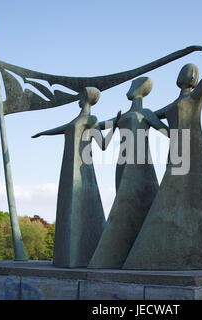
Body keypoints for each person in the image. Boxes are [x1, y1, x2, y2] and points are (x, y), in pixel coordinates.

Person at [123, 46, 202, 270]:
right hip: (175, 154)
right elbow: (156, 124)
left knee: (194, 199)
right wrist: (136, 116)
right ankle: (177, 254)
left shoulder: (196, 97)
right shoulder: (173, 104)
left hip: (193, 154)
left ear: (194, 78)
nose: (185, 74)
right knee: (176, 204)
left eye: (190, 71)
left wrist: (199, 49)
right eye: (184, 70)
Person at [88, 77, 169, 269]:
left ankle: (147, 249)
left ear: (140, 89)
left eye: (133, 85)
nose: (130, 88)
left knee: (138, 203)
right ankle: (126, 252)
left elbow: (169, 132)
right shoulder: (122, 116)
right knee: (123, 202)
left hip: (141, 165)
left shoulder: (146, 113)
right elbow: (97, 128)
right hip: (122, 162)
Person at [32, 87, 116, 268]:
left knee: (81, 206)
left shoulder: (92, 119)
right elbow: (62, 129)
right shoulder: (77, 119)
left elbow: (102, 145)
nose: (78, 99)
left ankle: (83, 255)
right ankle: (66, 257)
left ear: (85, 98)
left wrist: (112, 128)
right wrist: (43, 133)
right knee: (67, 206)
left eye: (80, 96)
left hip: (82, 168)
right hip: (68, 167)